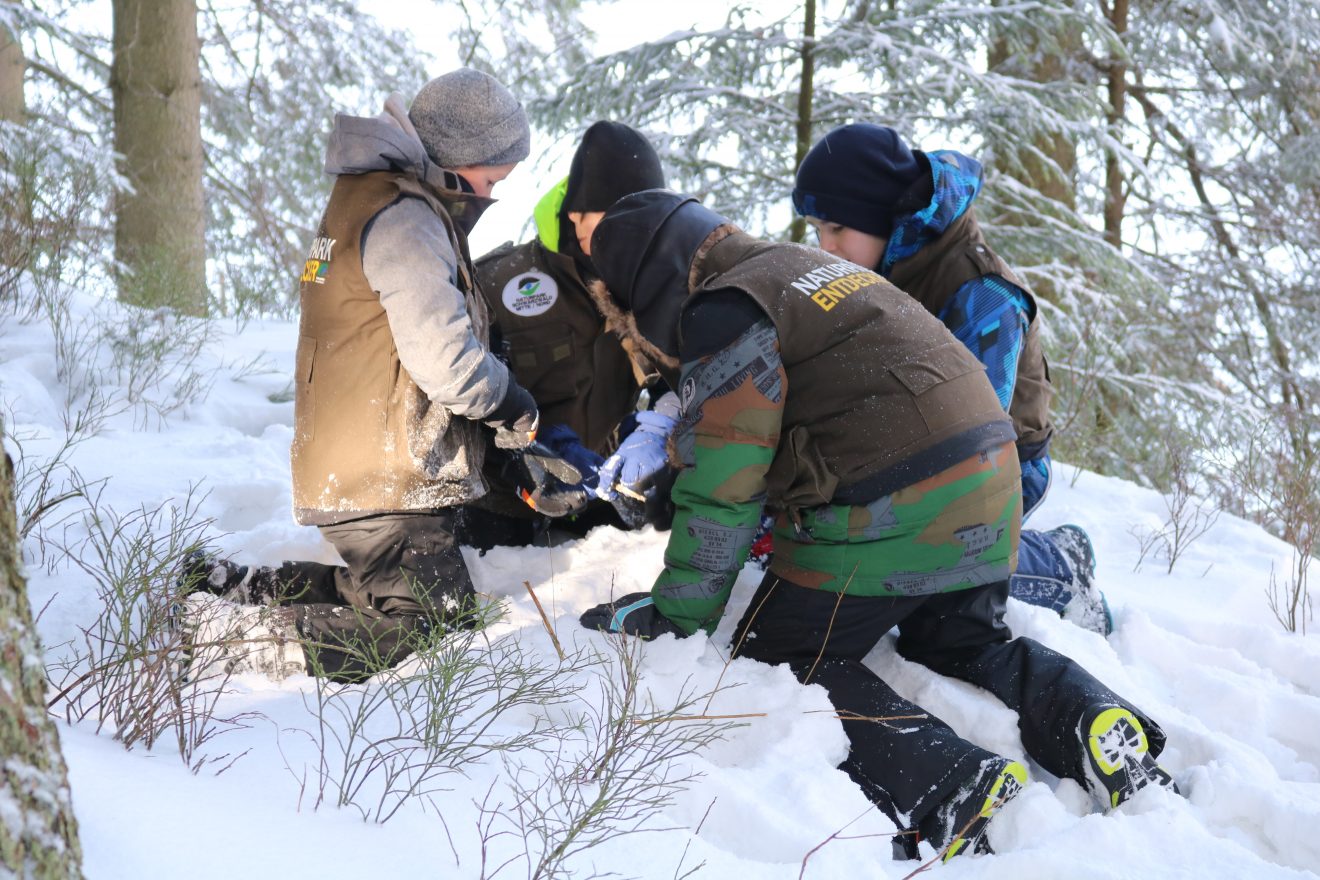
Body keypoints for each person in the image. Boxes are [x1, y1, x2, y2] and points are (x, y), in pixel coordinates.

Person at [577, 190, 1178, 860]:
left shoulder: (726, 307)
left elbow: (728, 486)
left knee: (779, 659)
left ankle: (955, 784)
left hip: (894, 498)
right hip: (991, 479)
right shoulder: (800, 267)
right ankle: (1091, 719)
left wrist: (676, 612)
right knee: (962, 639)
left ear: (644, 278)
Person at [179, 70, 541, 681]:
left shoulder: (372, 197)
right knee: (427, 626)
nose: (492, 194)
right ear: (458, 158)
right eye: (492, 179)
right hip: (382, 467)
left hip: (361, 456)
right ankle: (228, 640)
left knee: (403, 600)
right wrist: (514, 407)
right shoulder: (405, 218)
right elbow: (444, 359)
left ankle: (232, 587)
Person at [792, 123, 1111, 635]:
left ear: (880, 219)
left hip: (1001, 462)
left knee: (914, 567)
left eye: (836, 228)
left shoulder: (981, 295)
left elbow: (972, 432)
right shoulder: (874, 268)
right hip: (906, 440)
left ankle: (1057, 566)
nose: (826, 247)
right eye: (816, 230)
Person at [462, 121, 679, 548]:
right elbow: (452, 389)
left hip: (603, 510)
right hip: (500, 513)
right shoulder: (498, 284)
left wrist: (650, 433)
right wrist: (529, 451)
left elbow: (679, 382)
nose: (579, 220)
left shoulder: (652, 287)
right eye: (578, 211)